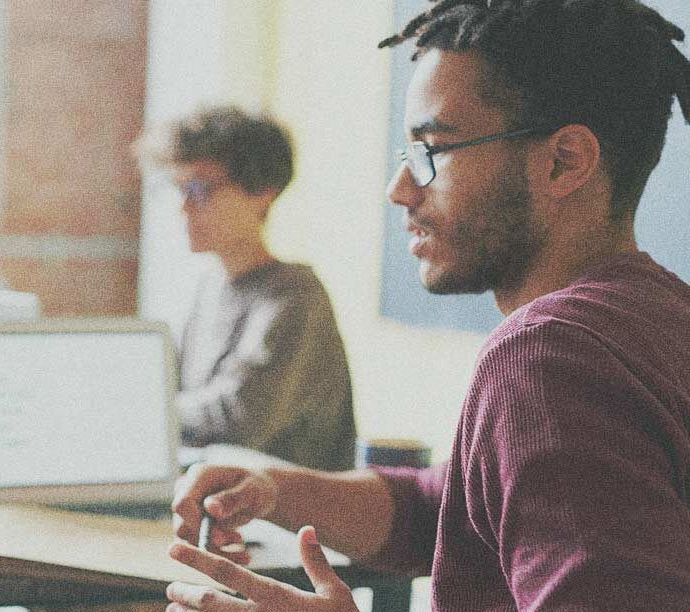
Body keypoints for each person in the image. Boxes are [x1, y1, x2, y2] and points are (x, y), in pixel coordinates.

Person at [165, 1, 690, 610]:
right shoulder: (658, 318)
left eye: (432, 151)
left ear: (563, 161)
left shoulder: (547, 356)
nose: (401, 190)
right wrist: (278, 491)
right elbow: (449, 507)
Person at [139, 107, 357, 471]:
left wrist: (139, 411)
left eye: (200, 189)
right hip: (221, 501)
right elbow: (167, 384)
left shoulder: (295, 295)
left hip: (283, 517)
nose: (184, 208)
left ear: (261, 195)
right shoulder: (210, 287)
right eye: (178, 189)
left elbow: (240, 416)